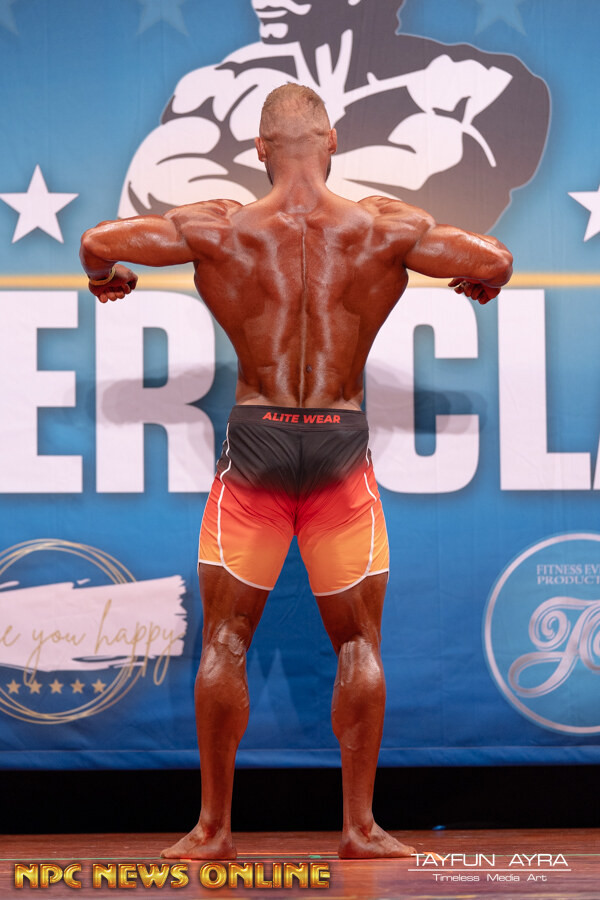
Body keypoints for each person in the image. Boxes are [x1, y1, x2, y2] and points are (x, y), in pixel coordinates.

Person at [80, 83, 512, 859]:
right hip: (339, 449)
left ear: (259, 149)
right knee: (358, 644)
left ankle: (212, 831)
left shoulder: (219, 226)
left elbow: (98, 240)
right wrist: (482, 279)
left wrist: (104, 278)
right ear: (333, 140)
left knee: (225, 639)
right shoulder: (384, 226)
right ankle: (360, 829)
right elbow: (495, 260)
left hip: (257, 448)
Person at [119, 0, 550, 234]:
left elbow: (465, 190)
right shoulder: (213, 91)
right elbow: (148, 195)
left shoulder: (483, 83)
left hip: (387, 318)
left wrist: (268, 201)